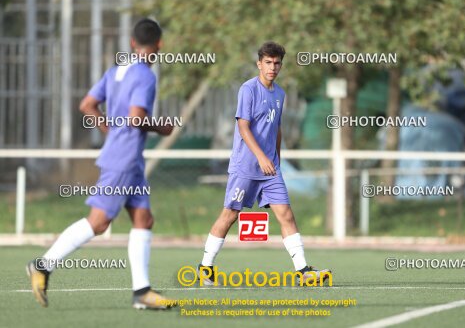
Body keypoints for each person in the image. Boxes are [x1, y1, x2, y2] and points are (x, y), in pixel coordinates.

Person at [26, 18, 176, 310]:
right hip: (123, 159)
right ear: (159, 45)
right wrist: (161, 128)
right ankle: (42, 265)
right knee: (98, 222)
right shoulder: (145, 76)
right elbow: (135, 119)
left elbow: (87, 105)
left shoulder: (116, 71)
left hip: (129, 159)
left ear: (133, 43)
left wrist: (107, 128)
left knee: (144, 219)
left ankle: (142, 292)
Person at [198, 41, 331, 285]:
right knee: (230, 215)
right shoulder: (248, 90)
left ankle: (302, 271)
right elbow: (243, 126)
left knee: (286, 215)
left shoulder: (280, 94)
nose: (272, 67)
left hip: (270, 169)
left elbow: (276, 127)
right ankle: (205, 266)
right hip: (246, 167)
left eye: (277, 63)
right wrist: (260, 156)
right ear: (259, 64)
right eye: (268, 62)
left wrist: (276, 158)